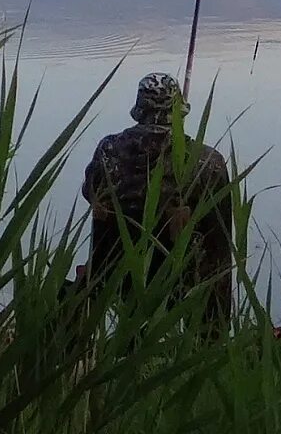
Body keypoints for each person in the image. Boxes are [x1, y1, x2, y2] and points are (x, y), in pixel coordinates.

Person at [79, 72, 234, 330]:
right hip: (181, 281)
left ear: (139, 110)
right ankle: (208, 338)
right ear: (180, 112)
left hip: (115, 278)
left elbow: (90, 193)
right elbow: (220, 246)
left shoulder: (108, 151)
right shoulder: (207, 162)